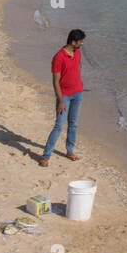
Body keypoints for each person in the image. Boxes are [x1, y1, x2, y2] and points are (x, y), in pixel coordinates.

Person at [39, 29, 86, 167]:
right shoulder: (58, 57)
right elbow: (55, 81)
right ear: (73, 42)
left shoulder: (77, 53)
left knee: (73, 124)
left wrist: (78, 83)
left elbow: (78, 67)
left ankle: (69, 151)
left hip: (78, 93)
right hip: (64, 96)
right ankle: (46, 156)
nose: (82, 44)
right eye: (80, 41)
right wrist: (60, 100)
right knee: (59, 126)